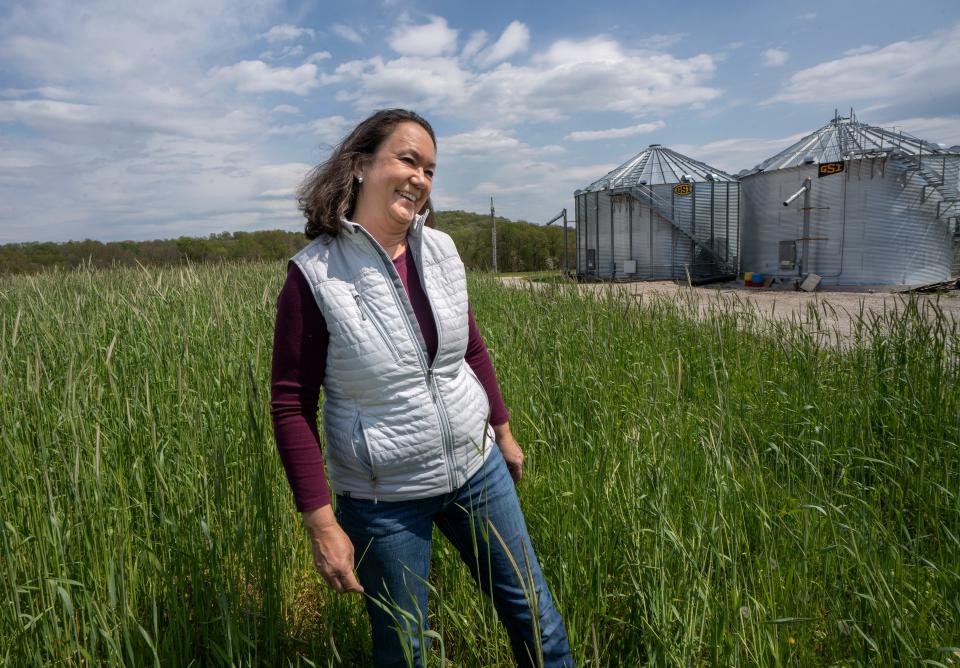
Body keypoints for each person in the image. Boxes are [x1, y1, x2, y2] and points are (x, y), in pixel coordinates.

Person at [271, 108, 574, 668]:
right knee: (404, 653)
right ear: (360, 165)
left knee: (539, 623)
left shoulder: (441, 251)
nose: (420, 178)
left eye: (430, 169)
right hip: (383, 500)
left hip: (475, 471)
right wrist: (321, 522)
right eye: (407, 159)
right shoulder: (315, 275)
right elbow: (291, 405)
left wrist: (502, 433)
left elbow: (471, 349)